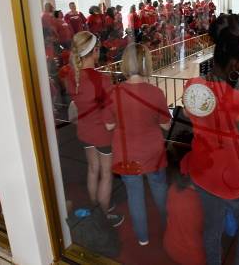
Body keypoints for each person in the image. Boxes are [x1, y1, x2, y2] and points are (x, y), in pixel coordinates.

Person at [181, 14, 239, 265]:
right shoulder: (238, 101)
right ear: (235, 63)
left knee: (210, 230)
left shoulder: (192, 85)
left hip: (204, 172)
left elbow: (188, 114)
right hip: (235, 179)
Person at [105, 43, 171, 245]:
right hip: (153, 152)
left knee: (134, 196)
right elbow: (167, 125)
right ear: (147, 64)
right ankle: (168, 228)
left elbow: (108, 126)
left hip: (127, 154)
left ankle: (143, 238)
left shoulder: (113, 93)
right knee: (160, 190)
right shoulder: (156, 93)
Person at [65, 31, 123, 227]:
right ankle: (103, 216)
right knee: (106, 174)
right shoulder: (102, 80)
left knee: (92, 169)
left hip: (84, 130)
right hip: (102, 134)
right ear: (94, 51)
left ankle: (96, 204)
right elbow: (109, 122)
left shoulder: (72, 76)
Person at [163, 147, 205, 265]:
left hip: (169, 247)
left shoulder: (173, 189)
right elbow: (229, 229)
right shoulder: (204, 202)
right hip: (194, 258)